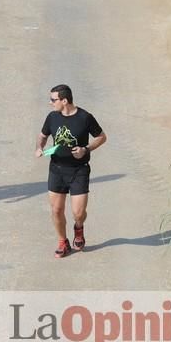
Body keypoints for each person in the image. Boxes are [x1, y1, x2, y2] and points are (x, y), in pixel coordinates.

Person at [36, 84, 107, 258]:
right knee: (56, 210)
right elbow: (42, 136)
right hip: (57, 170)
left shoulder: (85, 117)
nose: (50, 103)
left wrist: (86, 149)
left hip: (79, 170)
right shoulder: (52, 117)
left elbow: (101, 137)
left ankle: (79, 227)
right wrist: (39, 147)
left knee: (78, 212)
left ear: (64, 100)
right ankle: (62, 241)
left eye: (53, 100)